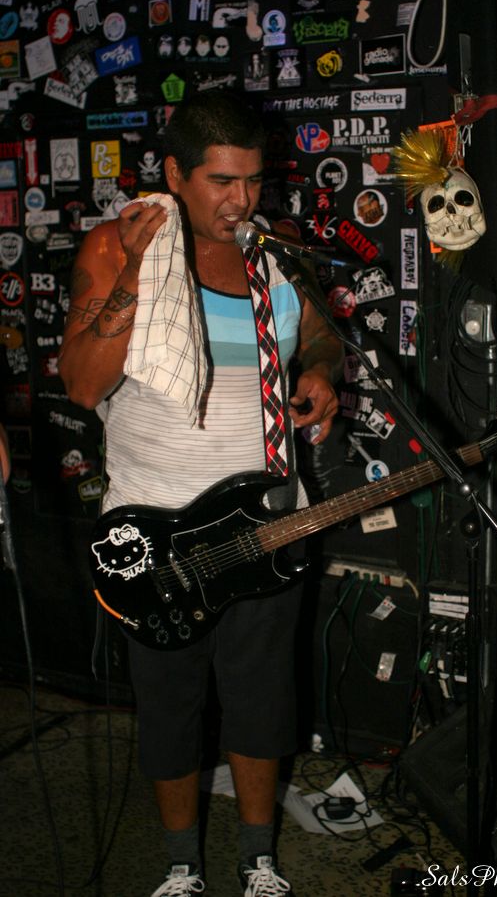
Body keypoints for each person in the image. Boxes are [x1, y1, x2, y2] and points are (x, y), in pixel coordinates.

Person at [58, 90, 343, 897]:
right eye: (221, 181)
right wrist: (135, 273)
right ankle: (183, 866)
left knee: (262, 700)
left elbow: (319, 332)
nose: (240, 200)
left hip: (266, 524)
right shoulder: (118, 245)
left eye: (252, 180)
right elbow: (82, 384)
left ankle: (258, 860)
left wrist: (322, 371)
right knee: (171, 704)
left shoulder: (273, 252)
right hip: (158, 531)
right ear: (175, 175)